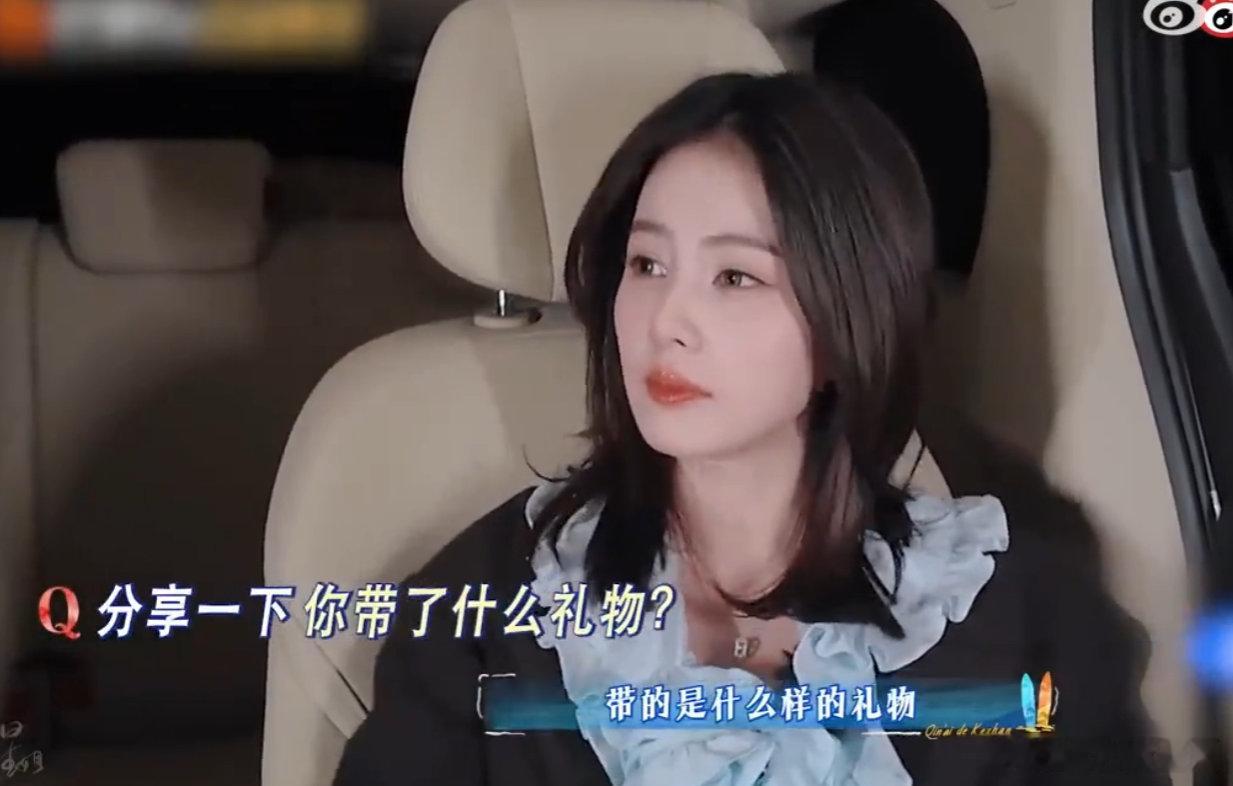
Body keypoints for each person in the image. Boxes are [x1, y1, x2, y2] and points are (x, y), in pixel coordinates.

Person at [332, 72, 1170, 785]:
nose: (666, 320)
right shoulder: (488, 602)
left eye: (735, 276)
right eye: (646, 264)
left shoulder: (1027, 612)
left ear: (848, 320)